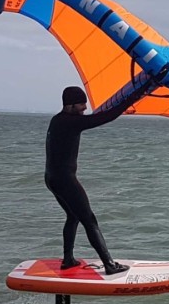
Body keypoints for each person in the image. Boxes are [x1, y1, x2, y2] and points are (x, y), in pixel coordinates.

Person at [44, 85, 137, 274]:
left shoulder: (57, 120)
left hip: (52, 178)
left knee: (73, 216)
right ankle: (109, 264)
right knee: (90, 220)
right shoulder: (70, 122)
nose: (85, 109)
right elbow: (105, 118)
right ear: (70, 105)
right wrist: (132, 98)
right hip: (64, 180)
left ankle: (68, 259)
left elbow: (99, 116)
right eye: (81, 105)